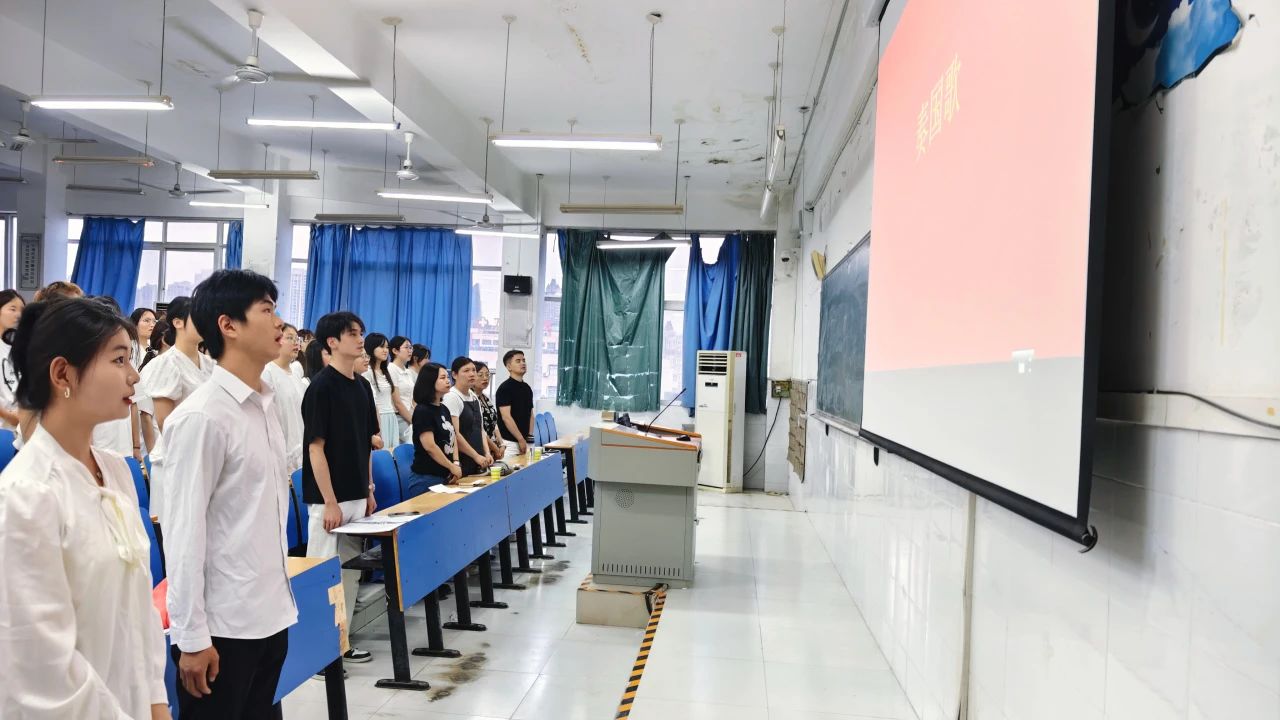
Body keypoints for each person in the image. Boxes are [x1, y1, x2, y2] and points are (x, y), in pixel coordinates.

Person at [0, 297, 169, 720]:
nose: (133, 376)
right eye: (118, 360)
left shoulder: (115, 471)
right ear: (63, 374)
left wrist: (156, 702)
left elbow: (139, 613)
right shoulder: (26, 494)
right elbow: (40, 665)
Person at [163, 270, 297, 719]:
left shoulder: (264, 406)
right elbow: (183, 533)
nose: (279, 322)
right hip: (223, 628)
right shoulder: (203, 417)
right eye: (267, 310)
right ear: (228, 325)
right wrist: (191, 637)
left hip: (270, 615)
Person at [301, 312, 379, 664]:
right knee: (322, 573)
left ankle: (340, 643)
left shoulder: (362, 386)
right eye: (352, 333)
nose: (360, 339)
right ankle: (317, 653)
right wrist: (329, 501)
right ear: (332, 342)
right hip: (327, 501)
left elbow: (365, 443)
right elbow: (315, 449)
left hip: (356, 494)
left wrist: (368, 489)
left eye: (361, 332)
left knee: (348, 571)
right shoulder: (321, 387)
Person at [137, 296, 214, 525]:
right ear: (178, 323)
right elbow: (165, 422)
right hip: (176, 459)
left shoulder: (210, 364)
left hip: (204, 456)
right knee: (176, 528)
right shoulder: (167, 364)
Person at [405, 362, 461, 496]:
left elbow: (452, 437)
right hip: (426, 478)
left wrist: (455, 463)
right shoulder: (423, 410)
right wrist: (451, 466)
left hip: (445, 475)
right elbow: (429, 446)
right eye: (442, 378)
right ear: (430, 381)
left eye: (447, 377)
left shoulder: (444, 408)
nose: (448, 380)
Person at [262, 322, 306, 476]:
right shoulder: (267, 373)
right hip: (280, 455)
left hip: (301, 450)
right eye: (290, 338)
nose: (296, 343)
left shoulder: (296, 374)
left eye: (297, 339)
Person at [443, 356, 491, 476]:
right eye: (466, 371)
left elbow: (480, 429)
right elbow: (455, 434)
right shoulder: (452, 397)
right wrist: (476, 456)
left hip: (478, 460)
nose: (472, 374)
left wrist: (487, 453)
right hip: (462, 460)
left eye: (474, 370)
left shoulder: (473, 396)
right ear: (454, 375)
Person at [361, 333, 411, 447]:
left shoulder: (385, 372)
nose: (385, 350)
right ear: (371, 348)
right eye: (381, 347)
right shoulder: (367, 371)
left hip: (391, 417)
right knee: (381, 451)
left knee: (392, 451)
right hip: (379, 417)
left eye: (387, 347)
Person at [496, 349, 535, 458]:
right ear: (509, 367)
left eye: (524, 360)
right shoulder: (504, 388)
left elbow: (531, 415)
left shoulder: (527, 388)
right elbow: (506, 417)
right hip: (510, 442)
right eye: (518, 361)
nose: (523, 363)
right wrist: (520, 439)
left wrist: (529, 437)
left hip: (525, 441)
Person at [0, 289, 26, 431]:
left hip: (20, 424)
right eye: (12, 309)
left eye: (22, 310)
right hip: (4, 425)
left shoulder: (18, 347)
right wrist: (9, 416)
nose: (19, 315)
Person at [472, 361, 506, 457]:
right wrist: (495, 448)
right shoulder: (471, 398)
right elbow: (479, 429)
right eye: (480, 375)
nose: (485, 378)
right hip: (479, 448)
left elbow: (494, 424)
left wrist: (501, 444)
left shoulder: (486, 398)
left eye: (487, 375)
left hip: (492, 447)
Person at [387, 336, 416, 441]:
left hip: (409, 416)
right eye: (406, 347)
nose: (410, 350)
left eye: (411, 348)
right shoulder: (391, 369)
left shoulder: (407, 371)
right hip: (399, 418)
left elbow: (412, 399)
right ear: (395, 351)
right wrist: (413, 421)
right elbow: (397, 402)